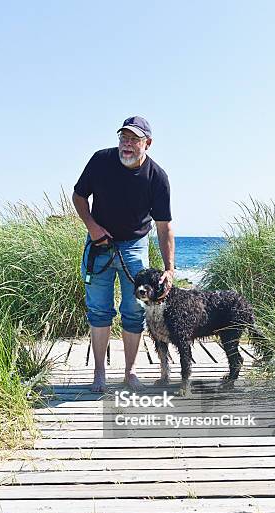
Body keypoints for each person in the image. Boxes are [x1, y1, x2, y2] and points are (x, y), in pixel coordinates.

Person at [72, 116, 174, 392]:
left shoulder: (157, 177)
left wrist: (169, 269)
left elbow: (164, 226)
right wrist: (92, 226)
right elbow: (79, 196)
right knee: (98, 310)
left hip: (135, 247)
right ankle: (99, 373)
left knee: (133, 312)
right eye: (123, 138)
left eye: (134, 140)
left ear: (147, 143)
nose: (127, 145)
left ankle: (130, 373)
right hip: (99, 246)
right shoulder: (100, 161)